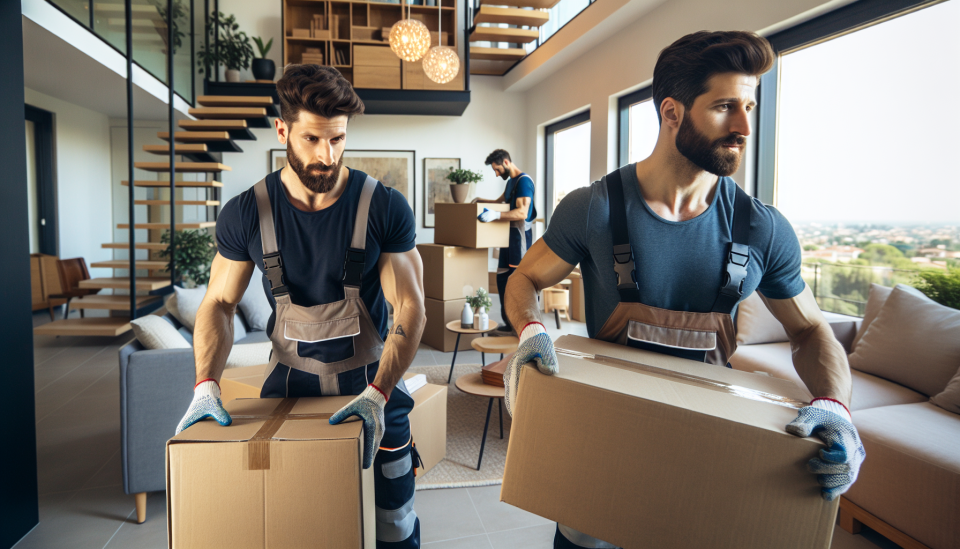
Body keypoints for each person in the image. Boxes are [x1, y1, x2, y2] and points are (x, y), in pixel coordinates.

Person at [502, 31, 865, 549]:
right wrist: (532, 332)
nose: (743, 126)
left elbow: (809, 329)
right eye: (724, 107)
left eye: (749, 107)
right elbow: (525, 278)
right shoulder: (594, 208)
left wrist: (836, 406)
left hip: (707, 459)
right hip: (599, 454)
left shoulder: (761, 230)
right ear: (671, 112)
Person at [174, 64, 425, 548]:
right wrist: (206, 384)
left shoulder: (385, 206)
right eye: (312, 139)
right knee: (302, 529)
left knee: (395, 528)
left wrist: (380, 391)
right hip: (290, 395)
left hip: (378, 392)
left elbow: (411, 307)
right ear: (283, 129)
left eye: (337, 139)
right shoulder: (246, 213)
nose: (326, 155)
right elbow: (220, 304)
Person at [473, 149, 537, 332]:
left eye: (497, 169)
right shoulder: (511, 182)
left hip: (519, 240)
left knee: (517, 285)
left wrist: (495, 215)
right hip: (506, 240)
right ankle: (510, 324)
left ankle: (524, 326)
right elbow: (498, 202)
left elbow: (522, 213)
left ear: (506, 163)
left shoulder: (524, 182)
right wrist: (480, 201)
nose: (496, 173)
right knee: (502, 279)